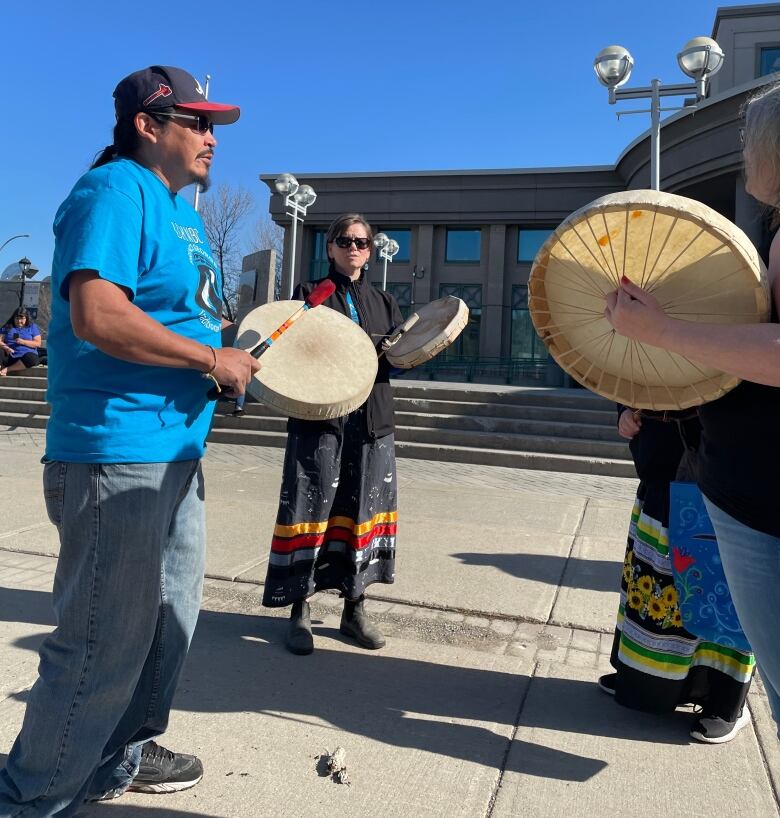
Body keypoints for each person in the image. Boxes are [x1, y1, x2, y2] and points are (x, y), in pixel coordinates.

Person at [0, 65, 259, 817]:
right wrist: (211, 358)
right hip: (116, 450)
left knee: (168, 624)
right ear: (148, 125)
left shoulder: (178, 208)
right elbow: (97, 316)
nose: (213, 138)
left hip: (175, 451)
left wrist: (228, 357)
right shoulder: (112, 190)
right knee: (99, 644)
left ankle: (119, 754)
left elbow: (177, 319)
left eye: (215, 126)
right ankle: (31, 797)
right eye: (197, 123)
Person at [604, 81, 780, 737]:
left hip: (754, 488)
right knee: (673, 586)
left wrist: (664, 333)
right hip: (710, 470)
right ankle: (650, 684)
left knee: (721, 610)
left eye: (745, 137)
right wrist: (638, 399)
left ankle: (718, 703)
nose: (740, 151)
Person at [262, 214, 403, 655]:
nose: (354, 248)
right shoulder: (308, 294)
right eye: (345, 241)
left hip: (371, 421)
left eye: (362, 241)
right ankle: (299, 609)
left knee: (363, 511)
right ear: (330, 248)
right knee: (311, 507)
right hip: (320, 420)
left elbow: (397, 361)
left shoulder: (385, 301)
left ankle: (354, 608)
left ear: (371, 248)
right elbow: (290, 349)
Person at [599, 406, 754, 743]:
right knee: (657, 590)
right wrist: (625, 412)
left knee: (721, 595)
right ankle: (649, 682)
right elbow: (634, 373)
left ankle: (725, 703)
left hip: (733, 471)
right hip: (665, 467)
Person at [0, 308, 42, 375]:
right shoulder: (7, 327)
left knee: (32, 357)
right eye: (17, 318)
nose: (19, 321)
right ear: (13, 318)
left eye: (22, 318)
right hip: (10, 356)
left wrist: (23, 342)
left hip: (25, 358)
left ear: (26, 318)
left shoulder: (32, 327)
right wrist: (6, 348)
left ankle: (8, 369)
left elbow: (38, 343)